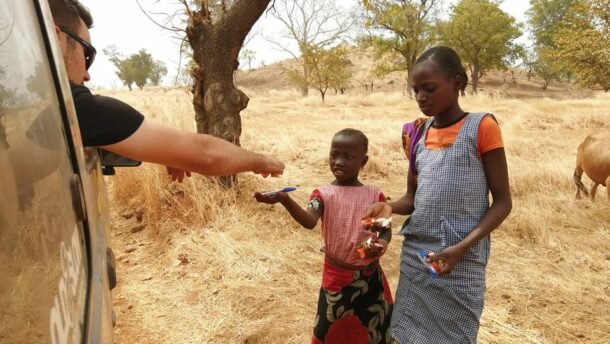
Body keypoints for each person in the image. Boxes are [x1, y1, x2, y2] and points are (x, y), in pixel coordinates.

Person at [364, 46, 512, 343]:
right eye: (416, 90)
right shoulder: (417, 133)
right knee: (406, 335)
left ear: (457, 83)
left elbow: (503, 202)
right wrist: (389, 207)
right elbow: (412, 198)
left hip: (460, 260)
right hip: (418, 258)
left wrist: (461, 248)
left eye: (429, 88)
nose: (420, 97)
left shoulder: (482, 127)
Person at [48, 0, 284, 181]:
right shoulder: (72, 108)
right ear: (57, 39)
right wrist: (261, 161)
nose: (88, 74)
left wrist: (169, 152)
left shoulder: (39, 110)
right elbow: (206, 154)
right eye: (87, 54)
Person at [255, 129, 394, 344]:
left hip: (370, 278)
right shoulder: (323, 194)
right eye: (334, 155)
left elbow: (385, 229)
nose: (338, 162)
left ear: (363, 161)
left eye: (347, 157)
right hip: (337, 278)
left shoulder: (375, 195)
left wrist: (381, 243)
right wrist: (284, 199)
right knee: (328, 329)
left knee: (372, 328)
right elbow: (310, 221)